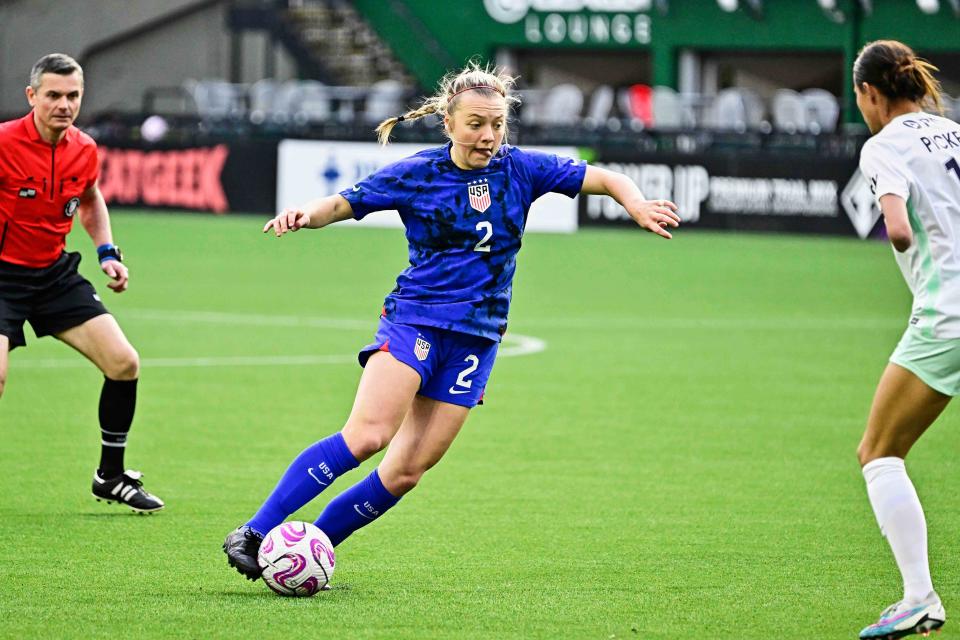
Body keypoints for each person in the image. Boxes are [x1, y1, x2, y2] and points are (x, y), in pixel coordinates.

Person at [223, 62, 680, 578]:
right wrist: (306, 213)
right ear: (449, 123)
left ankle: (311, 549)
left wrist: (636, 204)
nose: (488, 136)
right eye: (476, 124)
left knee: (406, 471)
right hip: (416, 320)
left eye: (497, 125)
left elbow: (606, 176)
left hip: (478, 338)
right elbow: (346, 202)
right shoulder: (418, 172)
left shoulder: (521, 168)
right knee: (369, 435)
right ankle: (256, 531)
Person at [0, 53, 163, 513]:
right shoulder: (4, 142)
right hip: (2, 276)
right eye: (53, 95)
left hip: (53, 274)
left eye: (73, 96)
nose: (64, 104)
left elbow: (89, 197)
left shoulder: (84, 148)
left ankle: (110, 476)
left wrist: (107, 252)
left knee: (123, 362)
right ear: (32, 96)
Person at [853, 40, 958, 639]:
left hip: (948, 314)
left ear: (870, 93)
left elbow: (897, 229)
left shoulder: (884, 145)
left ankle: (919, 595)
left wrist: (906, 236)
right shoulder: (956, 132)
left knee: (879, 452)